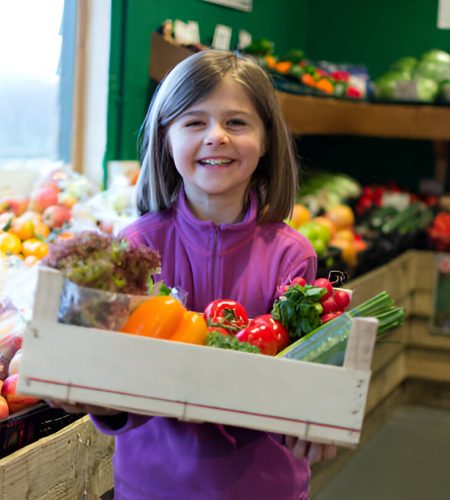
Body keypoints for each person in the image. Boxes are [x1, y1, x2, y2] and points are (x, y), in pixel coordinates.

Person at [52, 50, 337, 499]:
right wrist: (97, 400)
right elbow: (123, 378)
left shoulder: (291, 254)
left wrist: (311, 422)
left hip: (263, 488)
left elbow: (293, 382)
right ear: (166, 138)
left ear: (266, 141)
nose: (216, 137)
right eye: (194, 122)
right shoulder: (138, 248)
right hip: (154, 485)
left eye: (237, 123)